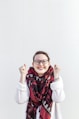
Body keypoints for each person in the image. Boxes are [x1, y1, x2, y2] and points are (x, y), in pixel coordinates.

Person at [16, 51, 65, 119]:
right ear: (33, 64)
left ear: (49, 63)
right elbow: (20, 100)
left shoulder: (55, 78)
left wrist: (56, 76)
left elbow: (58, 99)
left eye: (44, 61)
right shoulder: (28, 78)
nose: (41, 64)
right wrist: (22, 76)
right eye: (37, 61)